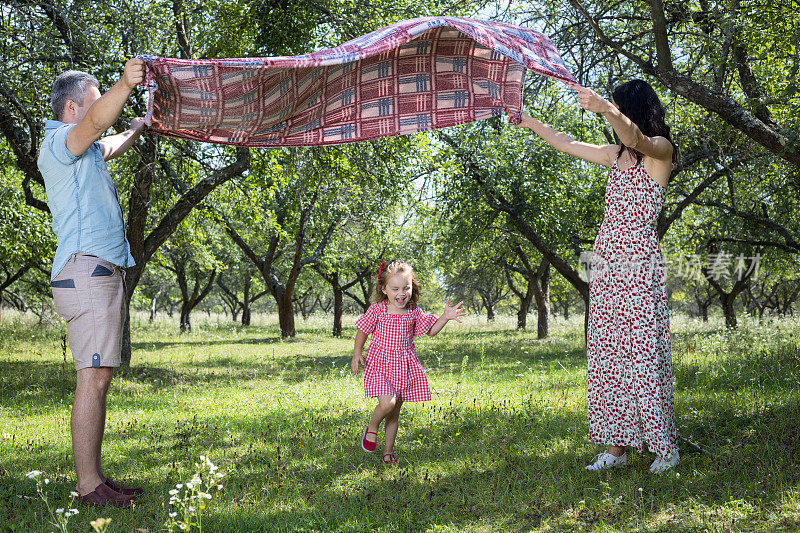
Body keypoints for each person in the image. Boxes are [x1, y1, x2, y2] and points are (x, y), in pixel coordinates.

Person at [512, 80, 679, 473]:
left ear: (630, 107)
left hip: (637, 262)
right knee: (608, 354)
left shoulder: (660, 151)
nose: (610, 115)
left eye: (618, 107)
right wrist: (528, 121)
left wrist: (606, 108)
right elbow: (567, 143)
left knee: (642, 353)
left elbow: (637, 136)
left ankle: (663, 446)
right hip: (605, 262)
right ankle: (616, 450)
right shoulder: (615, 155)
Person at [37, 59, 147, 507]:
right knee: (92, 378)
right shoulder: (61, 142)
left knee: (98, 377)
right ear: (71, 108)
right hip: (87, 270)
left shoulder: (85, 152)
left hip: (96, 270)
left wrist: (140, 124)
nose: (103, 106)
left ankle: (94, 477)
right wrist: (125, 83)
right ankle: (87, 486)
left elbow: (112, 139)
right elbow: (101, 120)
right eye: (95, 97)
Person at [351, 260, 465, 464]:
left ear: (413, 288)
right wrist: (357, 353)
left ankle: (388, 451)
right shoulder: (378, 310)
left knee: (394, 414)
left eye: (406, 288)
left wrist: (445, 318)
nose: (401, 293)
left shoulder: (413, 311)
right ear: (384, 289)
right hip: (380, 364)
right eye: (395, 288)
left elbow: (430, 331)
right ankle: (372, 427)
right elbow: (363, 331)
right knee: (388, 403)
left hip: (404, 367)